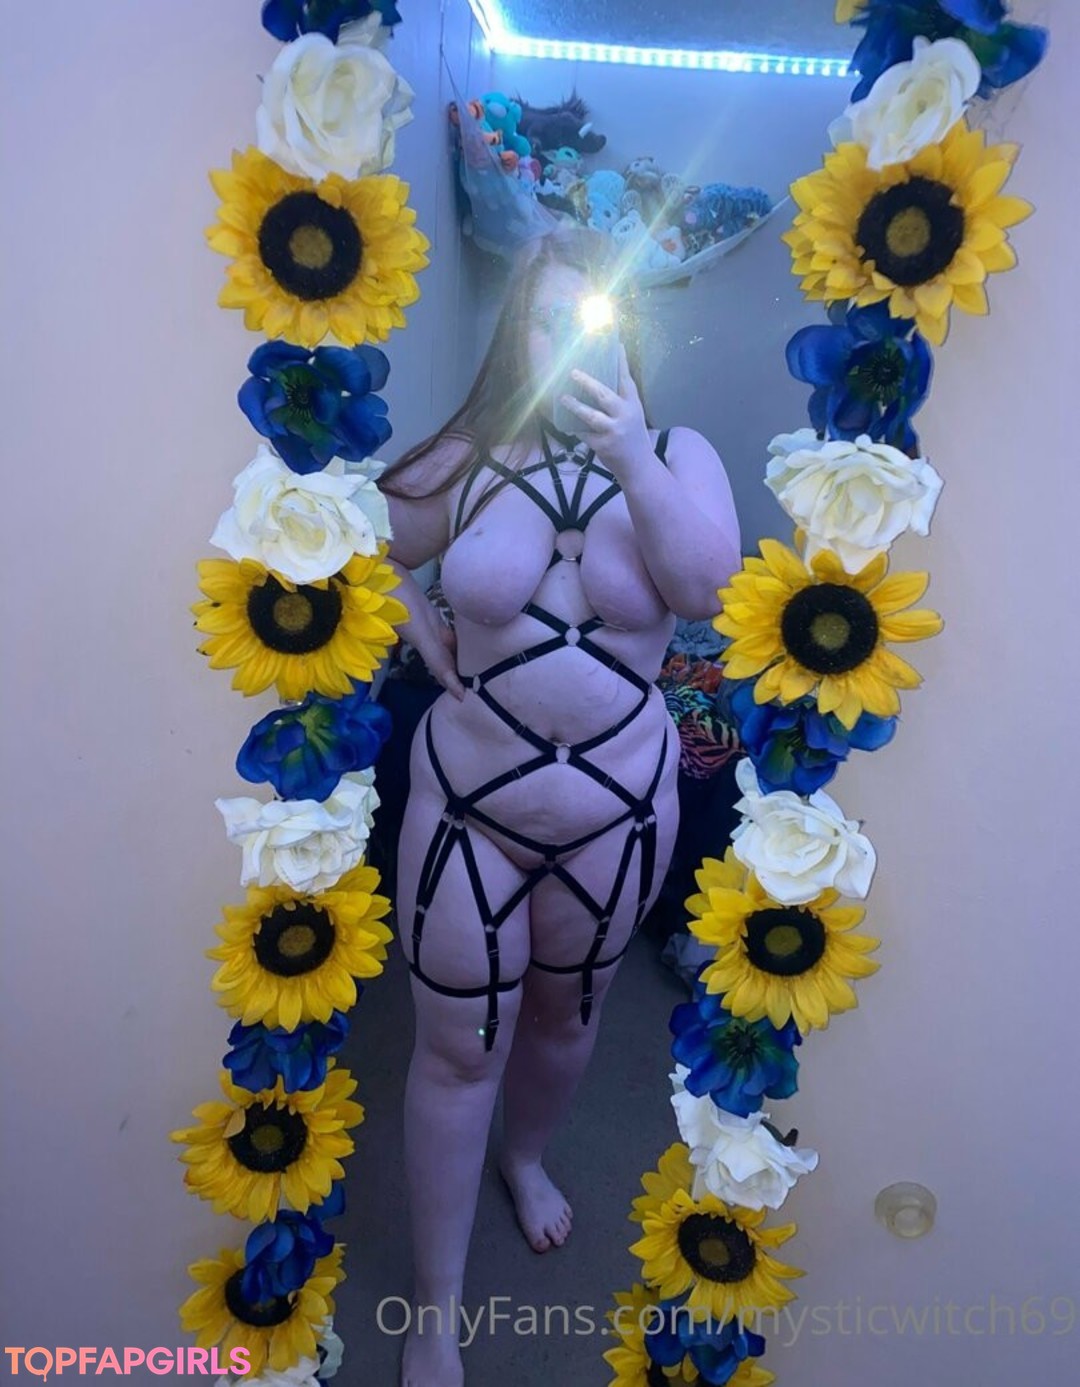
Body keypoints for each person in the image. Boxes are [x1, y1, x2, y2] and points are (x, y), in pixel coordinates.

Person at [374, 226, 742, 1387]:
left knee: (564, 1022)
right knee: (454, 1051)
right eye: (548, 318)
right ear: (517, 335)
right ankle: (436, 1311)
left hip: (615, 819)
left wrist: (630, 455)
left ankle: (524, 1156)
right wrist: (422, 631)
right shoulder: (469, 455)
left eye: (594, 318)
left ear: (629, 335)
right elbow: (351, 530)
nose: (569, 339)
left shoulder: (678, 453)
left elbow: (707, 586)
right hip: (469, 812)